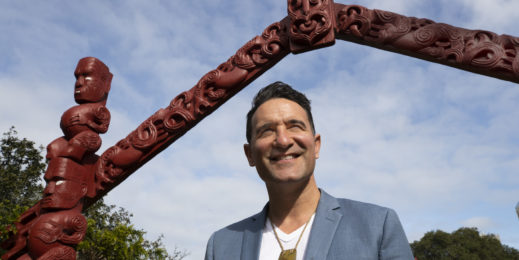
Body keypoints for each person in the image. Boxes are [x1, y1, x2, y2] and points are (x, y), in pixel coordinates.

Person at [205, 81, 414, 260]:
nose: (283, 140)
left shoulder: (378, 225)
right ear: (249, 154)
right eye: (266, 131)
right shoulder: (221, 245)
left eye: (295, 126)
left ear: (316, 145)